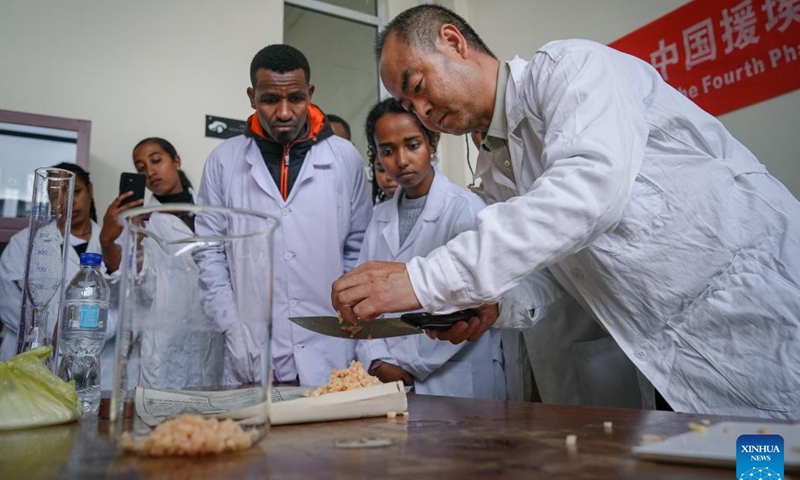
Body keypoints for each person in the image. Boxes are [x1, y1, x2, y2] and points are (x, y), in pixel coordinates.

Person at [332, 5, 800, 419]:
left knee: (776, 459)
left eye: (417, 86)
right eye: (408, 103)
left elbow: (588, 191)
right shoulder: (498, 168)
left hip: (753, 313)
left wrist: (422, 279)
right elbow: (559, 273)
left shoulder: (570, 69)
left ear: (453, 42)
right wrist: (495, 303)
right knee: (730, 463)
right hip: (673, 360)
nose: (422, 110)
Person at [195, 44, 372, 387]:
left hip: (329, 344)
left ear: (311, 94)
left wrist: (349, 319)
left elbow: (359, 246)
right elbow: (209, 252)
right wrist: (233, 328)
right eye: (270, 99)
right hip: (249, 344)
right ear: (251, 96)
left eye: (296, 98)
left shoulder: (344, 157)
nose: (285, 112)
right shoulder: (224, 161)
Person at [355, 98, 505, 399]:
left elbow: (470, 308)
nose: (401, 160)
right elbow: (364, 295)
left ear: (432, 142)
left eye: (412, 145)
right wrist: (376, 358)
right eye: (387, 151)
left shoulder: (464, 210)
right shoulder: (380, 217)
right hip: (393, 376)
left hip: (456, 376)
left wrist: (405, 363)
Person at [101, 137, 222, 388]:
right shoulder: (142, 221)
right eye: (141, 168)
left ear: (176, 161)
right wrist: (107, 241)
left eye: (156, 161)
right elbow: (132, 279)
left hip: (213, 337)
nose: (150, 172)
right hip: (166, 344)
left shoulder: (211, 210)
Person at [0, 163, 123, 391]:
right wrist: (55, 331)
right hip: (34, 368)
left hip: (97, 371)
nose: (67, 202)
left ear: (91, 191)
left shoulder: (113, 244)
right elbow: (10, 303)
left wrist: (77, 334)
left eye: (76, 192)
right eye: (56, 195)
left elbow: (122, 304)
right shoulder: (23, 243)